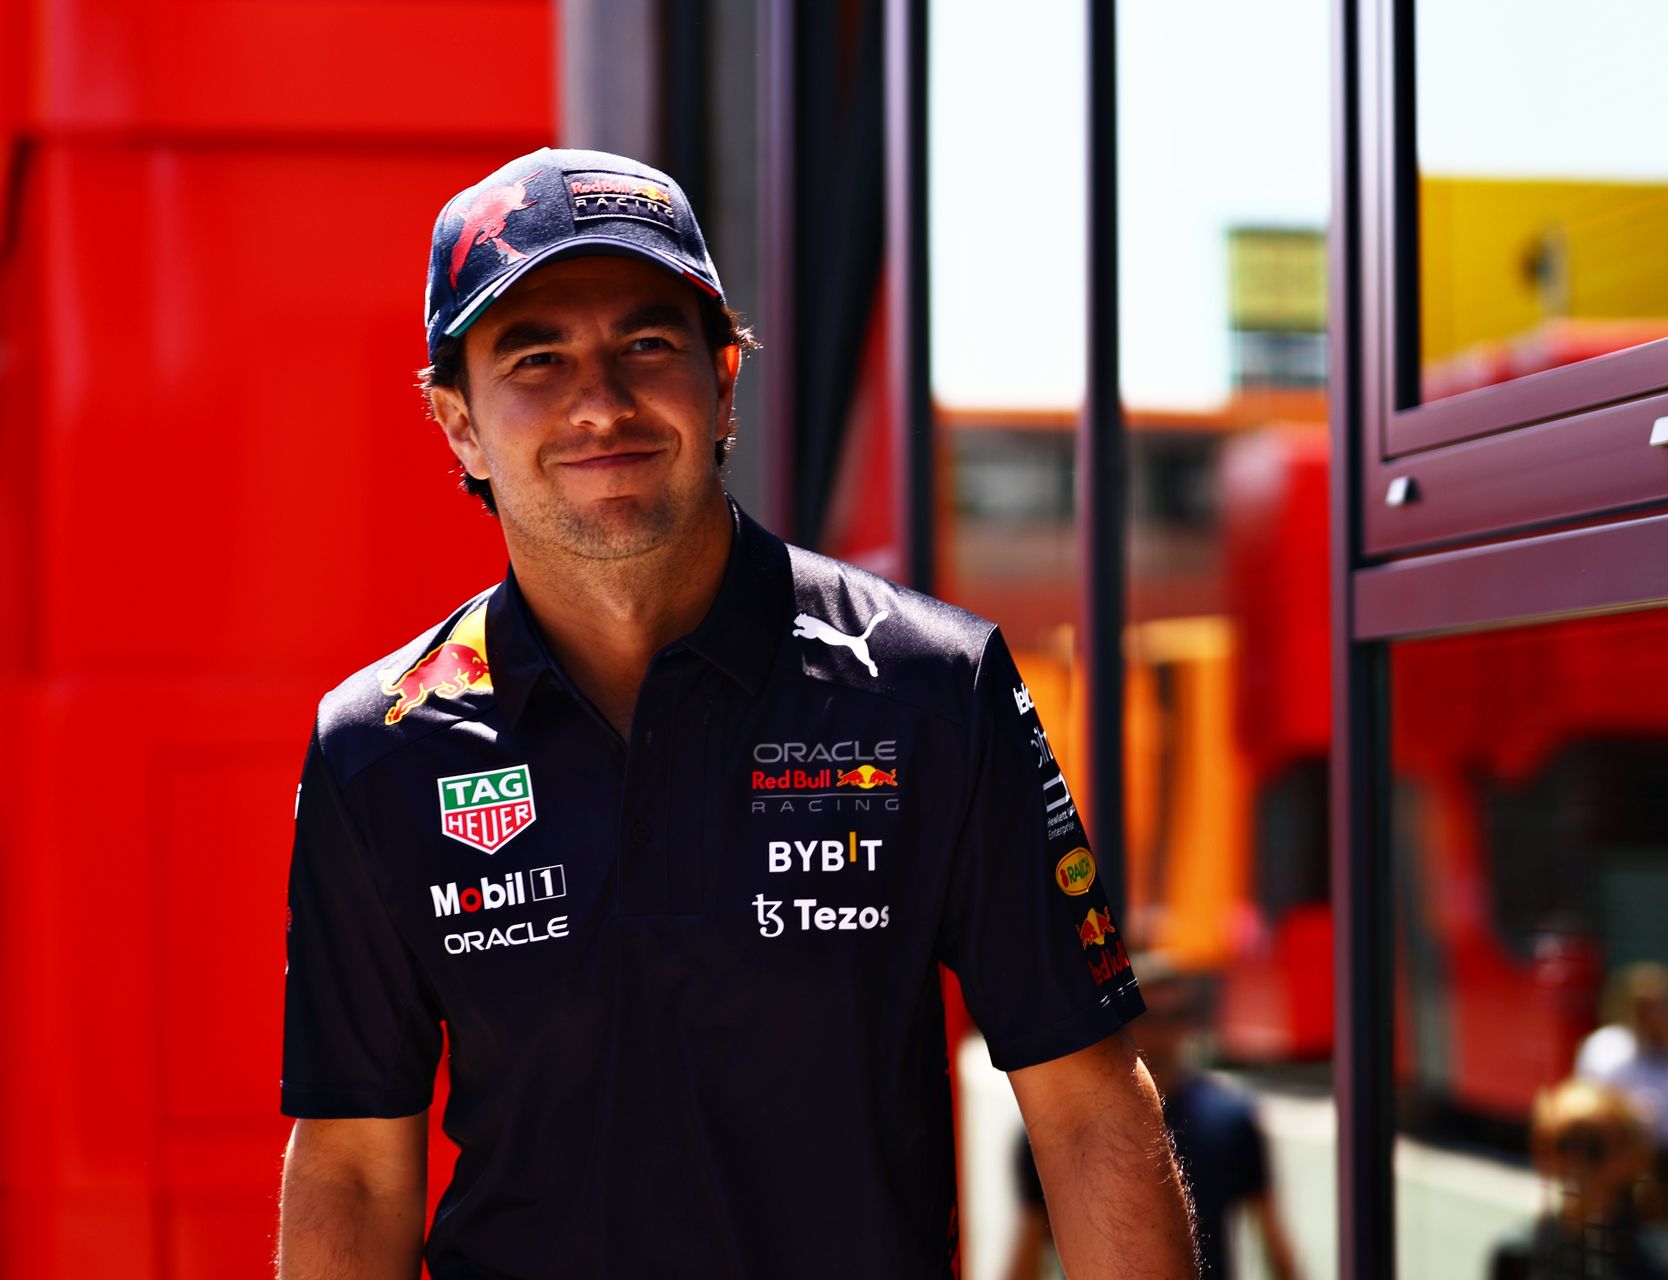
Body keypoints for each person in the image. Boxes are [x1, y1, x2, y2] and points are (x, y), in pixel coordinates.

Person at [276, 149, 1195, 1279]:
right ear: (459, 421)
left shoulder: (932, 687)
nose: (601, 402)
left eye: (646, 345)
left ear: (722, 381)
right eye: (537, 358)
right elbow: (354, 1162)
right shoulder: (376, 748)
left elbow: (1088, 1103)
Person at [1004, 964, 1298, 1280]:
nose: (1161, 1034)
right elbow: (1029, 1247)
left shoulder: (1230, 1120)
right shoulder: (1063, 1126)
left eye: (1175, 1016)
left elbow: (1273, 1242)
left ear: (1189, 1023)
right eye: (1148, 1017)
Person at [1573, 963, 1668, 1236]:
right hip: (1620, 1155)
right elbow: (1585, 1102)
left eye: (1663, 1007)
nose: (1656, 1016)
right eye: (1645, 1008)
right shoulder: (1606, 1048)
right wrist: (1626, 1112)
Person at [1488, 1079, 1668, 1280]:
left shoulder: (1658, 1257)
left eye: (1593, 1148)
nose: (1575, 1162)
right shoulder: (1520, 1251)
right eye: (1564, 1144)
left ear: (1631, 1155)